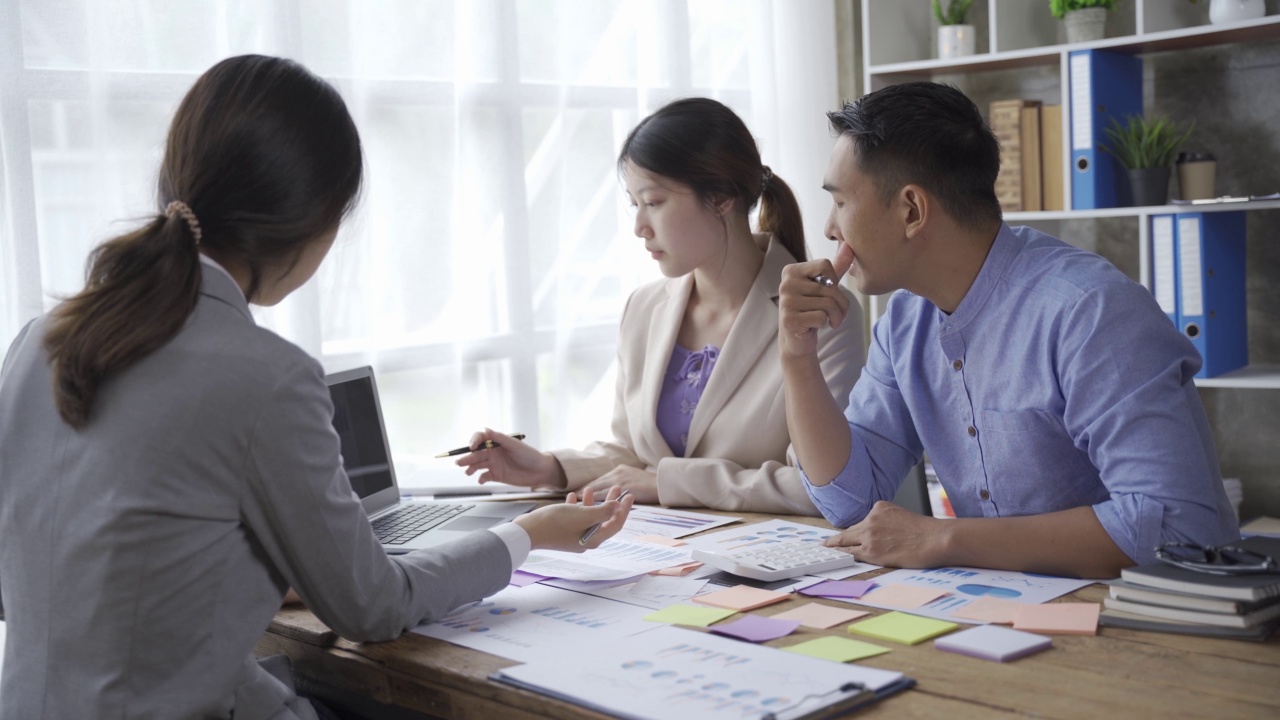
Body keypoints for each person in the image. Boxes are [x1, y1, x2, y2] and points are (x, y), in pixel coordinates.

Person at [0, 55, 632, 720]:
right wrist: (527, 533)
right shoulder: (265, 375)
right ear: (314, 223)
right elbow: (373, 606)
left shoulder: (37, 340)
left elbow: (35, 584)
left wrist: (222, 584)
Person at [778, 81, 1238, 579]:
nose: (829, 228)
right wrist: (798, 359)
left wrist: (943, 538)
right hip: (1008, 616)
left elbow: (1175, 525)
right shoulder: (905, 323)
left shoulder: (1090, 311)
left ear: (911, 210)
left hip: (1161, 618)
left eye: (840, 202)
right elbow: (851, 502)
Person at [457, 98, 864, 516]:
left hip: (767, 565)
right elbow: (633, 452)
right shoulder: (644, 308)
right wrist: (550, 468)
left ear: (722, 196)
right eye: (635, 204)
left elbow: (819, 486)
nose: (639, 227)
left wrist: (668, 482)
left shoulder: (820, 312)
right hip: (659, 557)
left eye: (653, 202)